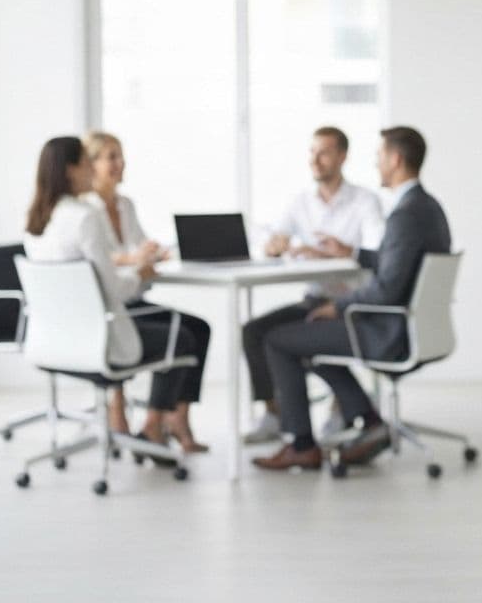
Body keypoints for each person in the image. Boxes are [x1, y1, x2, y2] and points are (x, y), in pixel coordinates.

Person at [253, 126, 451, 471]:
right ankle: (368, 421)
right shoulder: (426, 207)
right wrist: (354, 253)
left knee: (278, 340)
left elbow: (387, 288)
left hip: (388, 328)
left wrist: (338, 306)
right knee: (307, 338)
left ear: (395, 159)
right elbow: (396, 265)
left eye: (379, 157)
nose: (376, 164)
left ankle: (300, 444)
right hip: (407, 322)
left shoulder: (405, 214)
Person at [23, 136, 203, 459]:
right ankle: (154, 425)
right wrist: (141, 274)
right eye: (87, 162)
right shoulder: (84, 217)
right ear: (70, 170)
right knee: (184, 336)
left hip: (57, 340)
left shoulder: (37, 221)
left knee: (184, 327)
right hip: (101, 337)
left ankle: (156, 425)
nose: (93, 169)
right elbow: (114, 290)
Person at [240, 126, 383, 444]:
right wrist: (274, 244)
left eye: (324, 152)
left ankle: (319, 426)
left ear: (342, 156)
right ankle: (275, 414)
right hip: (315, 298)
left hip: (351, 303)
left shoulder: (365, 202)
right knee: (254, 332)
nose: (315, 160)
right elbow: (271, 235)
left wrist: (341, 251)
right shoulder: (300, 201)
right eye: (312, 152)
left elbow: (378, 253)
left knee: (285, 340)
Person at [82, 131, 212, 453]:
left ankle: (172, 417)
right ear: (92, 164)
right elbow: (97, 259)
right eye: (110, 156)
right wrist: (134, 260)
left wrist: (152, 253)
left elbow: (138, 247)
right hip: (108, 305)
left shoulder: (126, 205)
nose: (119, 163)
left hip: (132, 297)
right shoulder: (85, 211)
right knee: (177, 335)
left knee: (197, 328)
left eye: (120, 155)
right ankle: (140, 413)